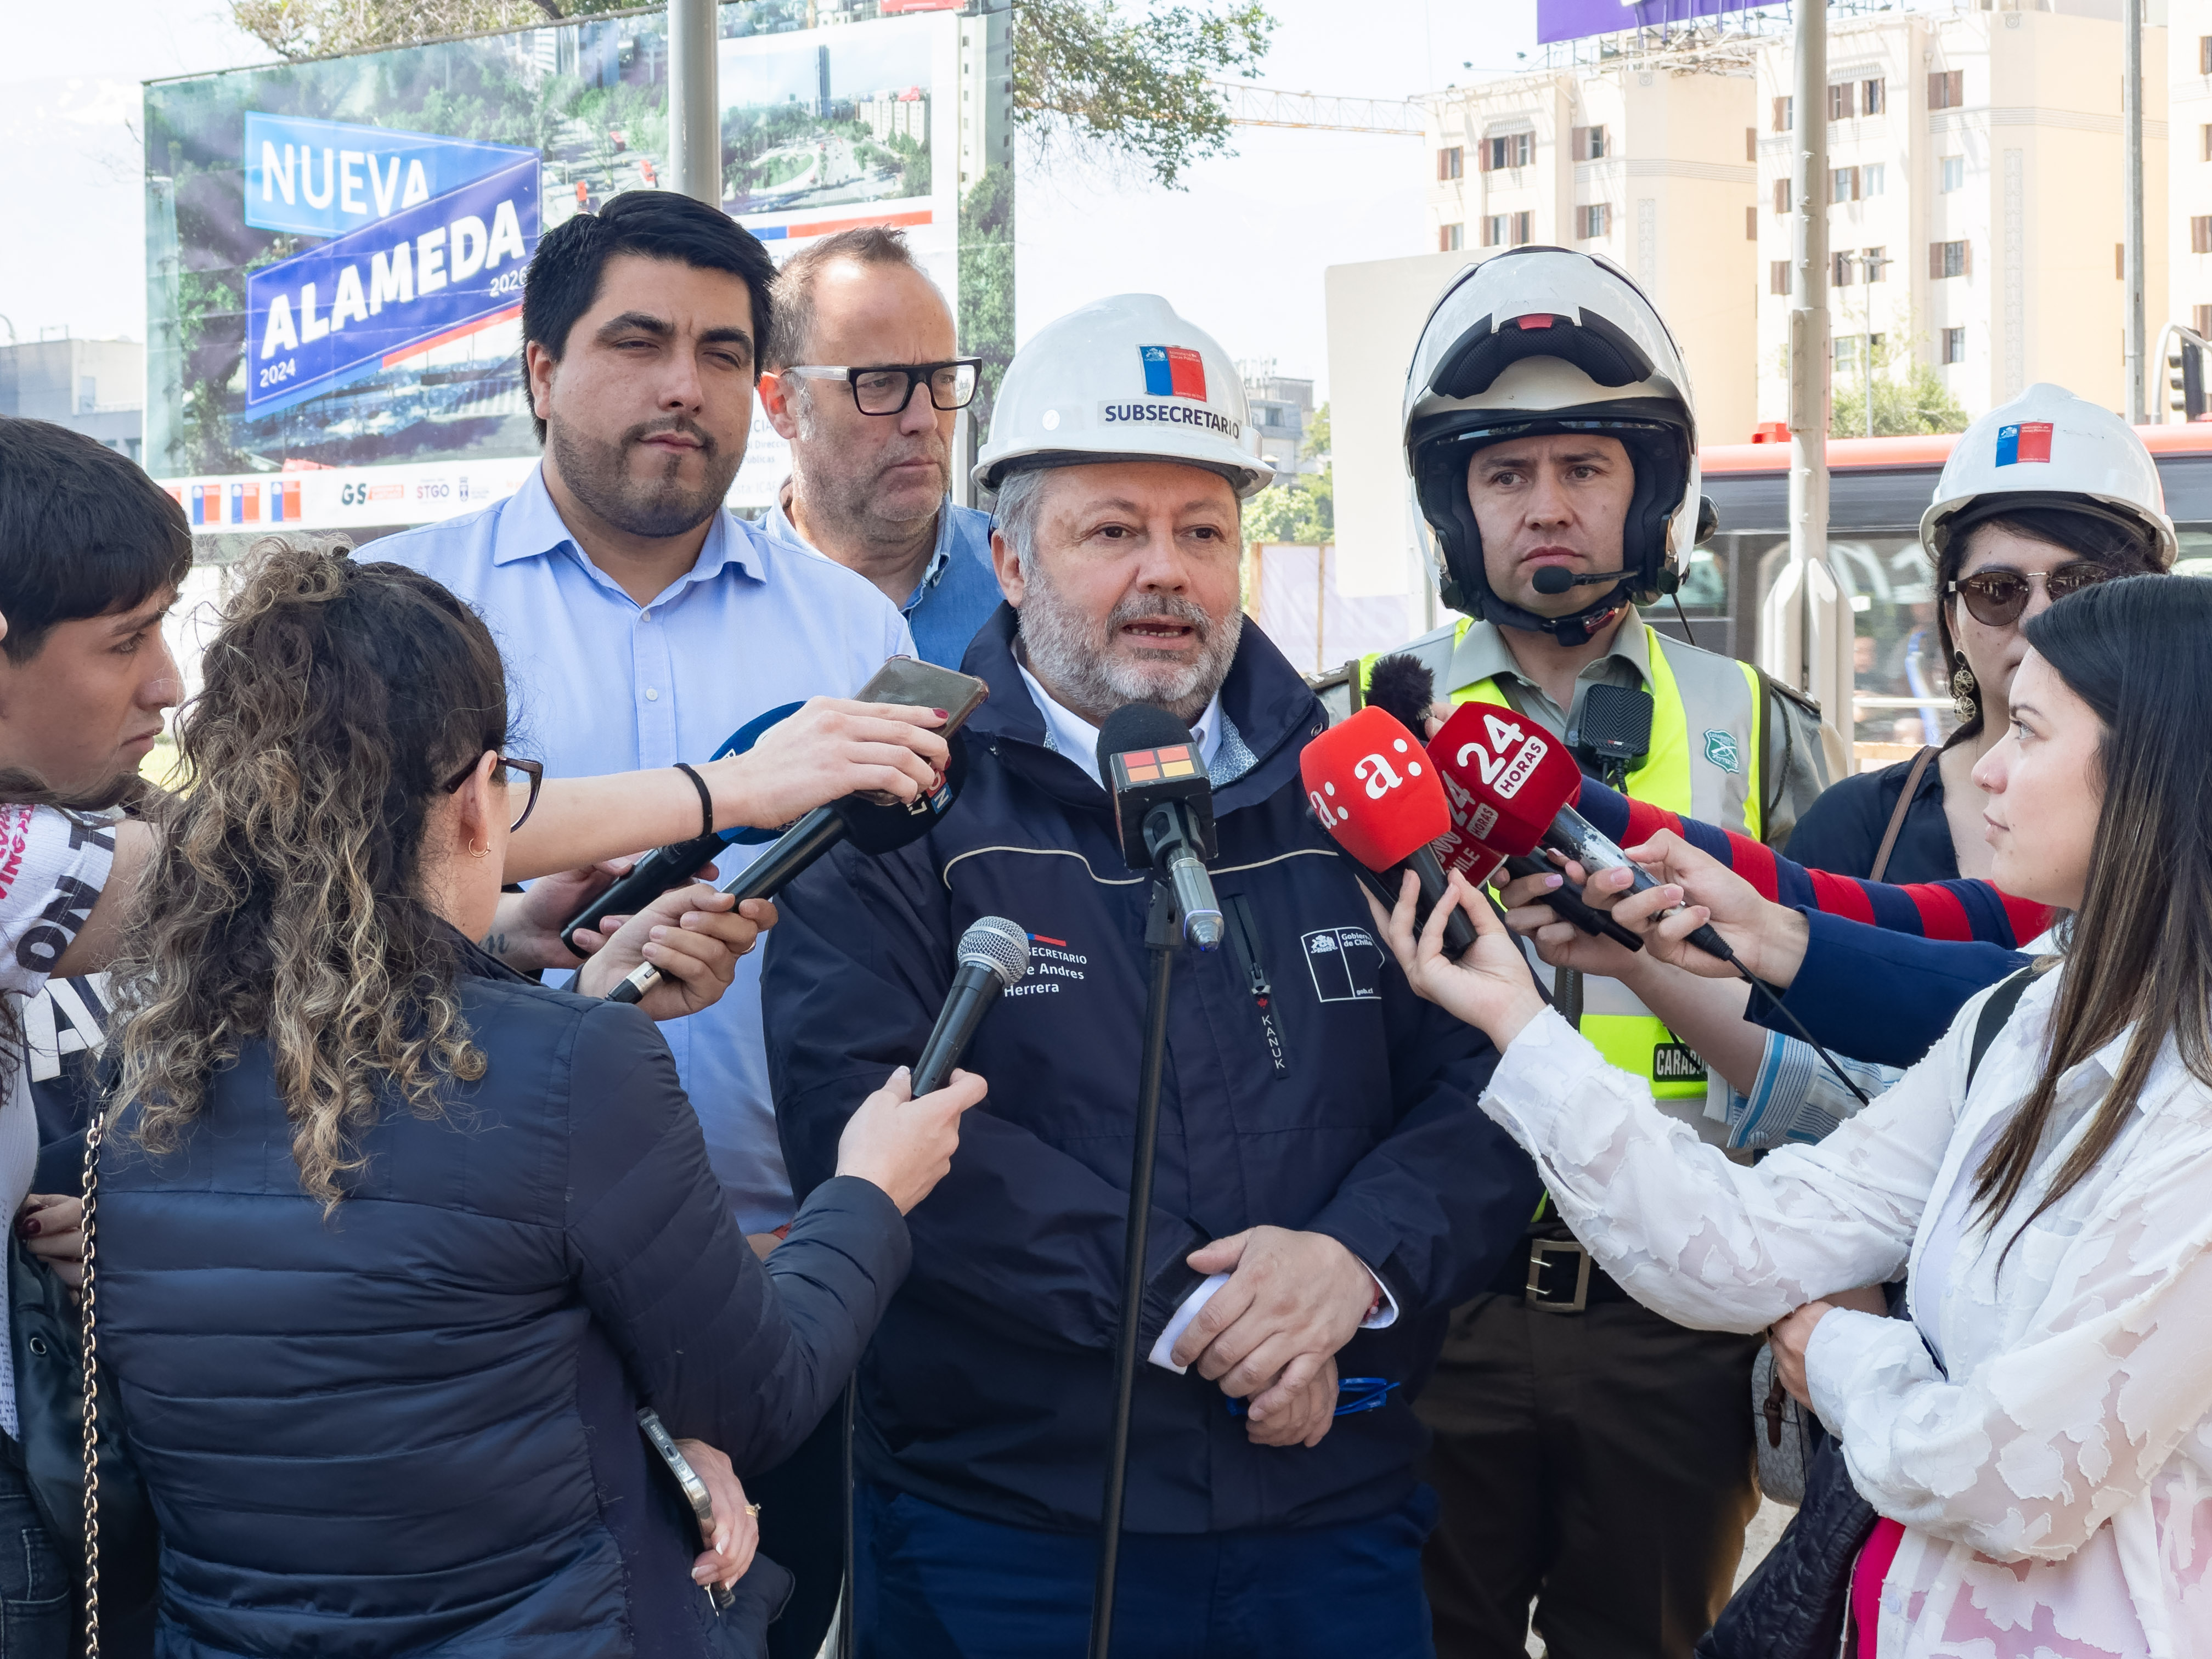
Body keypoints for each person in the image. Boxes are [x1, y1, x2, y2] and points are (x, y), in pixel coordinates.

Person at [761, 293, 1539, 1657]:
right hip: (1001, 1537)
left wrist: (1353, 1270)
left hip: (1330, 1517)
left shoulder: (1352, 785)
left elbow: (1492, 1086)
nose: (1165, 574)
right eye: (1113, 531)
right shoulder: (900, 794)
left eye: (1203, 532)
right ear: (1006, 558)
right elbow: (871, 1114)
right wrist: (1208, 1319)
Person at [91, 545, 990, 1657]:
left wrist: (568, 996)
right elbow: (759, 1393)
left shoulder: (146, 1072)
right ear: (480, 800)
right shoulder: (573, 1070)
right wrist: (869, 1190)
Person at [1375, 571, 2212, 1658]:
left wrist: (1850, 1358)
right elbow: (1740, 1245)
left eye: (2030, 733)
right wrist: (1517, 1019)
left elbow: (2018, 1487)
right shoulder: (2023, 1016)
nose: (1988, 770)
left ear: (2153, 773)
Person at [1366, 245, 1831, 1659]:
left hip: (1674, 1325)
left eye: (1583, 467)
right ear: (1458, 507)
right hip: (1436, 1309)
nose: (1547, 508)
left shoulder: (1764, 725)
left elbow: (1841, 1049)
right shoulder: (1366, 721)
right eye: (1507, 476)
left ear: (1652, 489)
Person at [1785, 385, 2173, 882]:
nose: (2038, 620)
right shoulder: (1858, 829)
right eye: (1996, 590)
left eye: (2081, 588)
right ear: (1952, 622)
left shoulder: (2193, 815)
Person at [755, 227, 1003, 668]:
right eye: (880, 384)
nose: (925, 420)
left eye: (944, 379)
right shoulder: (715, 609)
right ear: (782, 405)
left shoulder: (1029, 584)